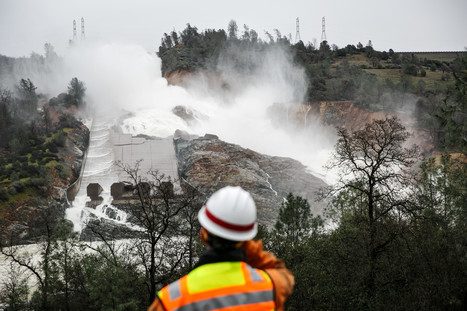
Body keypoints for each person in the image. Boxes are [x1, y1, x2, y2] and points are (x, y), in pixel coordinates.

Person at [148, 186, 294, 311]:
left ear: (203, 234)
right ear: (245, 240)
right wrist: (249, 248)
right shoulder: (270, 286)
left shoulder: (172, 299)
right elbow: (283, 273)